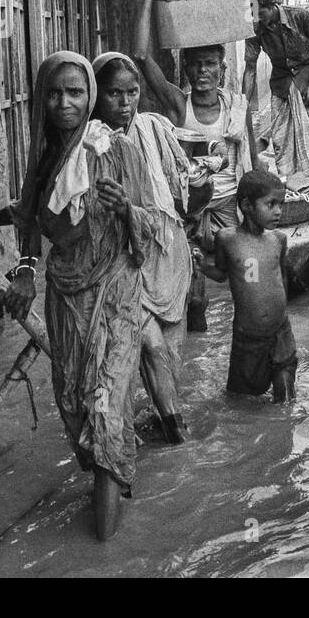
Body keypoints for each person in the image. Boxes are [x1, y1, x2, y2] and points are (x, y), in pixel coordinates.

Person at [0, 52, 158, 540]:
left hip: (115, 289)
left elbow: (156, 228)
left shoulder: (114, 149)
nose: (65, 102)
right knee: (74, 404)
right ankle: (110, 479)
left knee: (108, 405)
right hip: (66, 294)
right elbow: (29, 218)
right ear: (42, 100)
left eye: (75, 92)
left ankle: (105, 551)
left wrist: (128, 209)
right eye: (55, 93)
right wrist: (25, 271)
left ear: (89, 95)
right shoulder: (46, 155)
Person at [93, 52, 210, 444]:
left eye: (132, 92)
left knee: (170, 359)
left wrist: (199, 181)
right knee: (153, 348)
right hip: (125, 261)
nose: (125, 103)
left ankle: (165, 433)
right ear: (96, 96)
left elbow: (185, 193)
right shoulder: (90, 147)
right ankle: (182, 442)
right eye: (114, 94)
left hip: (167, 252)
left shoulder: (155, 128)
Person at [131, 0, 255, 231]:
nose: (202, 71)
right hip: (187, 208)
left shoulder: (237, 106)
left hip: (230, 208)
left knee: (233, 269)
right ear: (186, 68)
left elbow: (253, 161)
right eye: (196, 64)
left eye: (210, 64)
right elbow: (140, 56)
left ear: (222, 69)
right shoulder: (178, 104)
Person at [199, 169, 297, 403]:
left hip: (280, 331)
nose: (278, 211)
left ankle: (283, 431)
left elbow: (281, 280)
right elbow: (222, 275)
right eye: (270, 204)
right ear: (247, 205)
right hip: (248, 337)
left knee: (285, 395)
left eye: (280, 204)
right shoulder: (226, 238)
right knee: (241, 400)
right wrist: (203, 267)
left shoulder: (278, 240)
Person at [243, 0, 309, 212]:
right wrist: (241, 106)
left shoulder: (299, 16)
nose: (256, 17)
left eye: (259, 11)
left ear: (271, 6)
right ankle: (294, 197)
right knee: (282, 143)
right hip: (281, 84)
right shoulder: (253, 28)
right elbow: (250, 68)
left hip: (306, 78)